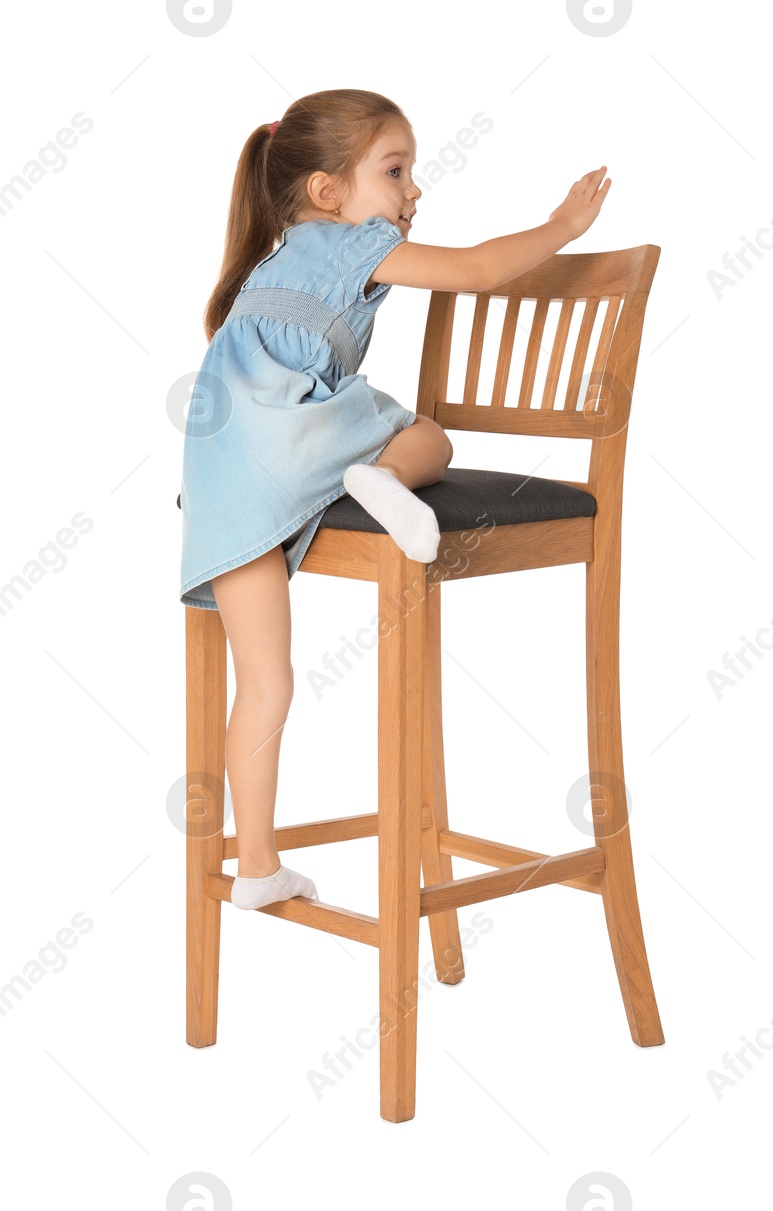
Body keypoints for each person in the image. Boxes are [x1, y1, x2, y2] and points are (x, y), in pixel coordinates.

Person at [179, 87, 610, 911]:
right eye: (396, 170)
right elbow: (477, 270)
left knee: (265, 683)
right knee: (430, 434)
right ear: (327, 192)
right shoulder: (350, 242)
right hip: (296, 444)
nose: (413, 192)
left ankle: (260, 864)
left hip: (221, 475)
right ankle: (384, 476)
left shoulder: (269, 262)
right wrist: (562, 228)